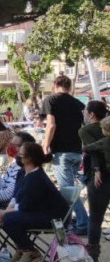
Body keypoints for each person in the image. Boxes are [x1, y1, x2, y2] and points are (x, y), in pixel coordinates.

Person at [0, 142, 71, 262]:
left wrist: (5, 213)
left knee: (9, 219)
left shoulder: (37, 178)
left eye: (20, 154)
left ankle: (30, 250)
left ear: (29, 159)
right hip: (37, 212)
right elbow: (15, 196)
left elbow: (25, 206)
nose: (17, 156)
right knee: (6, 217)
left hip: (53, 217)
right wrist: (6, 211)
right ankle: (23, 247)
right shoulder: (23, 172)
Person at [41, 75, 88, 235]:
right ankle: (75, 221)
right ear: (69, 86)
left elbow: (51, 124)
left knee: (68, 191)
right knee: (72, 190)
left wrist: (45, 144)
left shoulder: (51, 100)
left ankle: (82, 223)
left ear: (55, 85)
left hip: (61, 151)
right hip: (76, 150)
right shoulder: (78, 103)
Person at [79, 101, 110, 262]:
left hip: (99, 177)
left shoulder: (86, 130)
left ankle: (92, 258)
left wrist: (97, 169)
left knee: (95, 219)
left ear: (91, 113)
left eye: (85, 110)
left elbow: (93, 151)